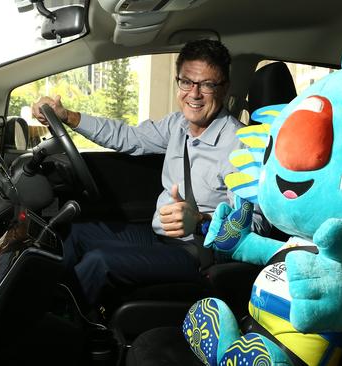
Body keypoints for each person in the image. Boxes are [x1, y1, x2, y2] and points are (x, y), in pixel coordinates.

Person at [32, 39, 267, 310]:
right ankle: (39, 307)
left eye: (206, 84)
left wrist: (202, 220)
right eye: (187, 82)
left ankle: (66, 326)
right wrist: (67, 116)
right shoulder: (177, 125)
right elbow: (128, 137)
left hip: (199, 253)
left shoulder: (241, 146)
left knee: (100, 261)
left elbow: (256, 224)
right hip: (159, 237)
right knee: (73, 233)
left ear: (223, 88)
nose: (194, 93)